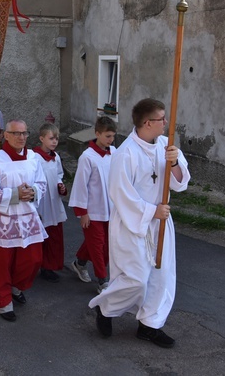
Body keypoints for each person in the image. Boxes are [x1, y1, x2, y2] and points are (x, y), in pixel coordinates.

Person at [89, 98, 190, 348]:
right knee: (135, 278)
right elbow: (120, 193)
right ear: (147, 123)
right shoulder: (126, 153)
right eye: (161, 119)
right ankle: (106, 308)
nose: (166, 123)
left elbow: (180, 182)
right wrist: (151, 211)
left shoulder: (166, 146)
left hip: (161, 223)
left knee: (160, 276)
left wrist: (175, 162)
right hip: (132, 224)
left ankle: (149, 326)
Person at [0, 119, 47, 322]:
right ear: (6, 135)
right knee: (1, 264)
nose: (21, 137)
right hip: (3, 222)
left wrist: (33, 192)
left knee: (33, 259)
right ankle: (2, 301)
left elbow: (42, 183)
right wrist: (16, 194)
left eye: (25, 133)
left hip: (27, 219)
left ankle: (17, 287)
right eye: (16, 133)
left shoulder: (34, 157)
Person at [68, 116, 117, 290]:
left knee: (107, 243)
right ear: (97, 134)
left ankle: (79, 263)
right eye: (107, 136)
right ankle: (103, 280)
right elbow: (80, 185)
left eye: (113, 136)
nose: (111, 140)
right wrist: (82, 212)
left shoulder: (114, 152)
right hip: (93, 210)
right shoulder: (87, 157)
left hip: (110, 208)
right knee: (98, 245)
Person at [32, 123, 68, 283]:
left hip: (54, 200)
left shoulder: (56, 157)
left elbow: (59, 174)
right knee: (41, 234)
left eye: (57, 139)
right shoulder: (34, 158)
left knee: (54, 234)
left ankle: (51, 265)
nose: (54, 142)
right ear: (41, 138)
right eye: (51, 138)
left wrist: (60, 185)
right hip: (42, 202)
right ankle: (40, 265)